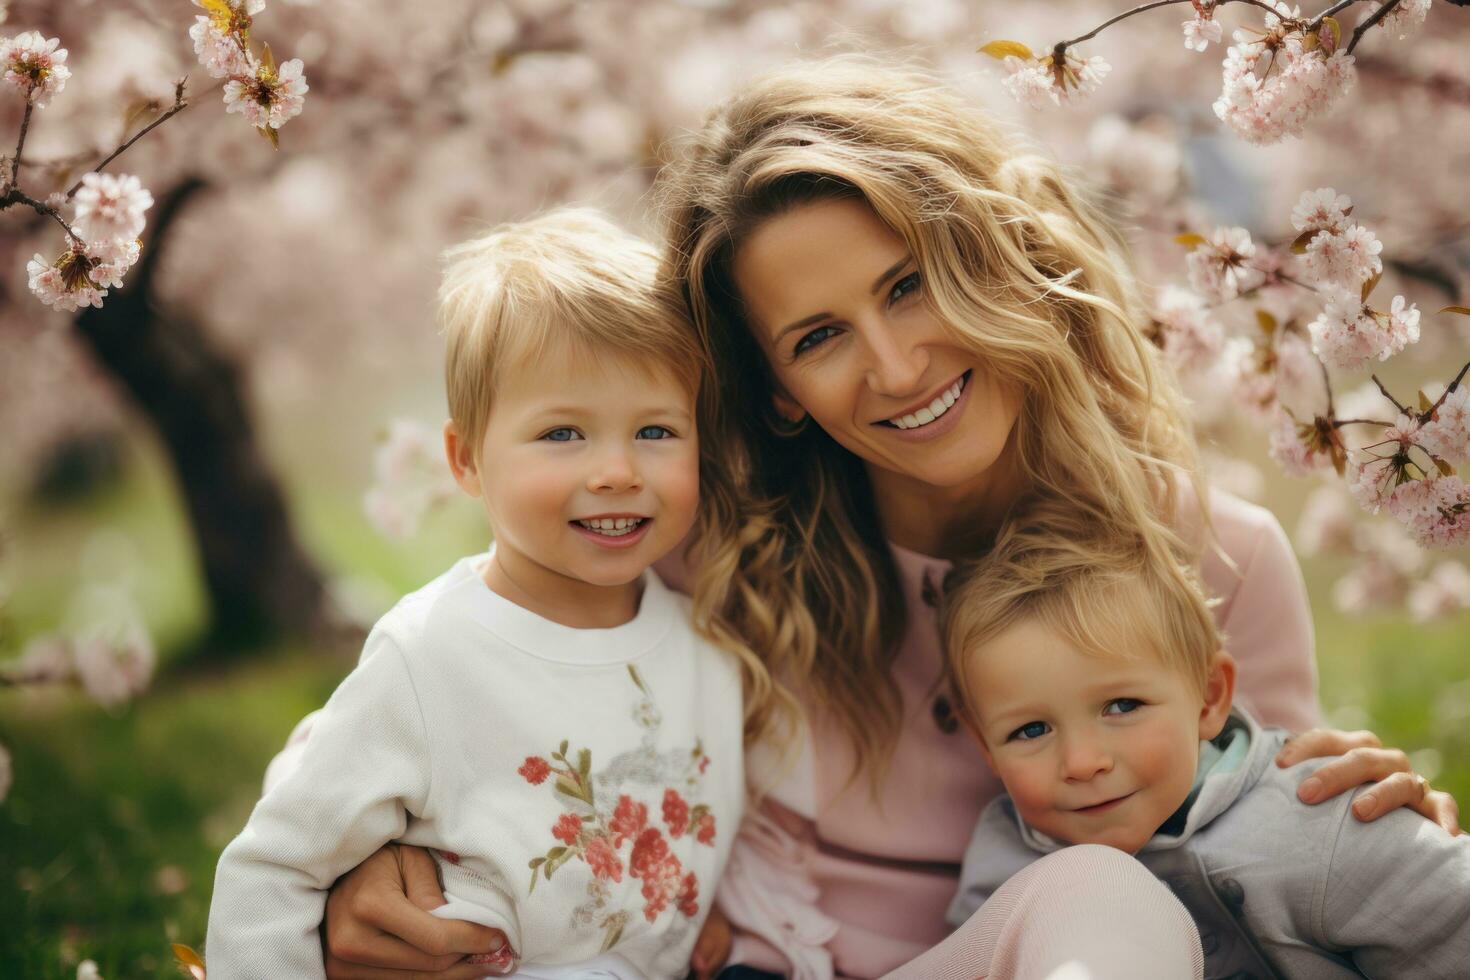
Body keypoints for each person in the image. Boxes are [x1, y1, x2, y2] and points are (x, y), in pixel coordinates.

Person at [280, 57, 1461, 980]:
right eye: (819, 336)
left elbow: (1280, 848)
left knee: (1103, 896)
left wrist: (1376, 829)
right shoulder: (711, 546)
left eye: (909, 283)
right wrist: (360, 858)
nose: (895, 365)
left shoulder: (1217, 556)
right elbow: (456, 661)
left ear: (993, 256)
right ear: (779, 391)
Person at [206, 209, 751, 980]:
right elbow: (277, 868)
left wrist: (698, 906)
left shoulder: (702, 647)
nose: (617, 472)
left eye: (656, 431)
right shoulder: (433, 652)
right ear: (465, 460)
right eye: (564, 433)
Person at [939, 510, 1470, 977]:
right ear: (986, 746)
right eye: (1030, 731)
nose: (1082, 763)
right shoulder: (1003, 864)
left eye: (1122, 706)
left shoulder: (1315, 821)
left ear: (1209, 697)